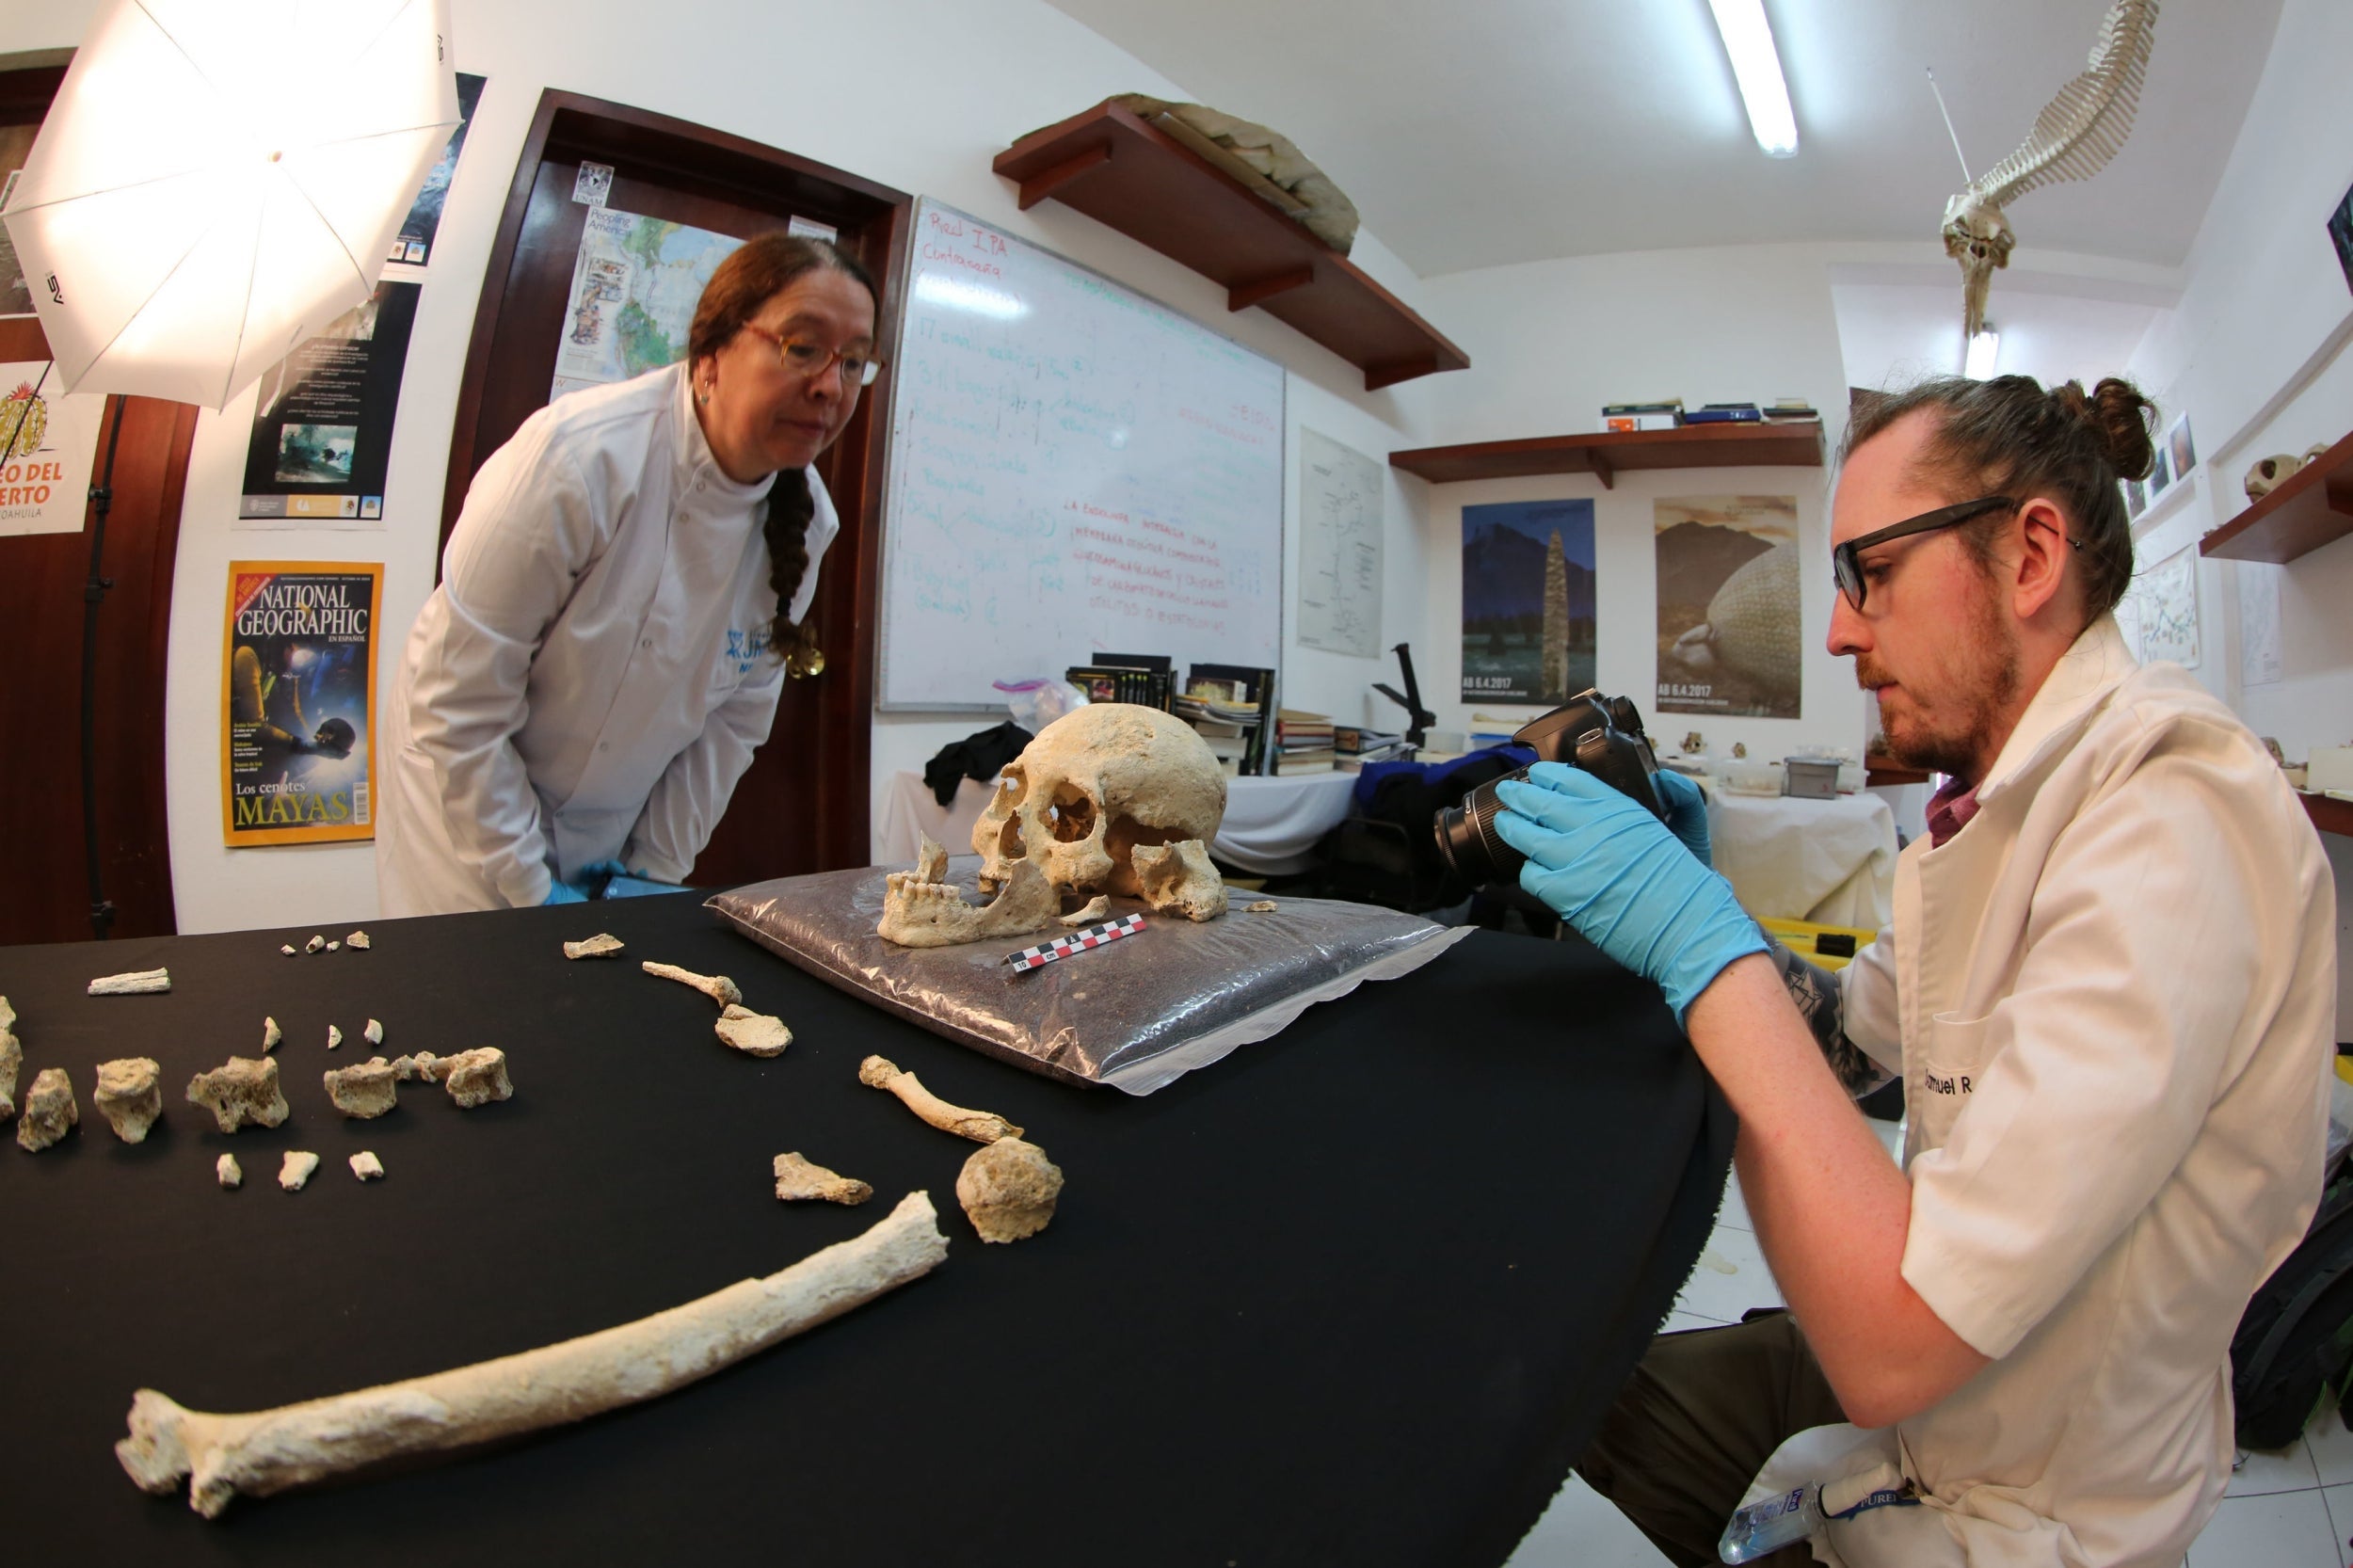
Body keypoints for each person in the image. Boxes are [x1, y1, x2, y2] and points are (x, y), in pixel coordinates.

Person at [1497, 375, 2336, 1566]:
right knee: (1557, 1375)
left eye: (1870, 573)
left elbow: (1891, 1345)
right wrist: (1714, 904)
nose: (1839, 629)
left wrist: (1703, 952)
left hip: (2030, 1489)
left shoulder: (2167, 821)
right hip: (1946, 1395)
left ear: (2030, 553)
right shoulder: (2000, 816)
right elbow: (1856, 1052)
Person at [376, 233, 880, 914]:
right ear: (710, 355)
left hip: (607, 836)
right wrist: (529, 885)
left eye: (854, 363)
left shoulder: (808, 522)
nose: (830, 387)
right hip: (466, 823)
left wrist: (650, 877)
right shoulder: (578, 463)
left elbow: (729, 729)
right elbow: (457, 703)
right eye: (803, 347)